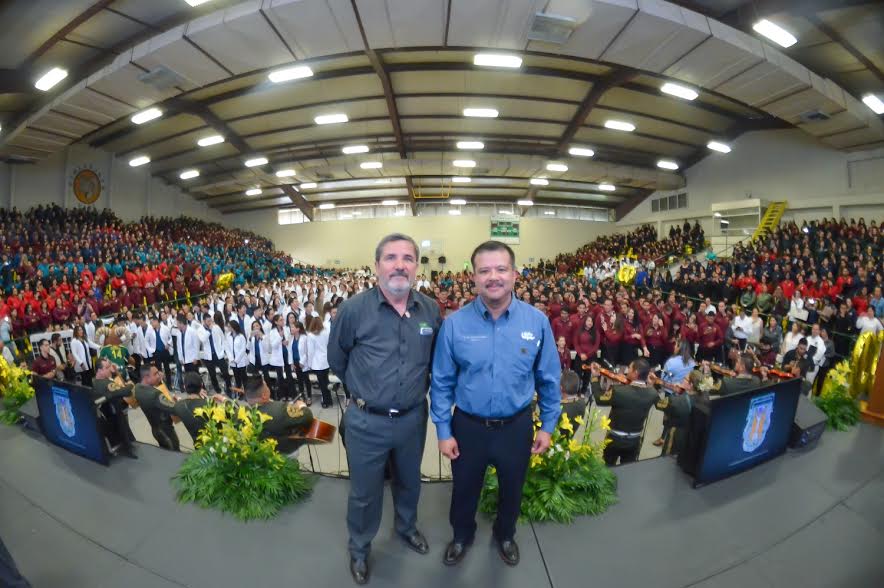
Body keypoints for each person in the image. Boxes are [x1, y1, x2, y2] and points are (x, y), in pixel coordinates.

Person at [431, 240, 560, 568]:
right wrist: (444, 431)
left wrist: (547, 425)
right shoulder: (455, 325)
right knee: (464, 490)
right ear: (473, 277)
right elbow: (442, 382)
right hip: (468, 427)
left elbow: (548, 379)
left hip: (516, 427)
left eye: (501, 269)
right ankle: (462, 535)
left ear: (515, 274)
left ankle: (505, 534)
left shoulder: (536, 322)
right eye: (484, 270)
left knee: (513, 487)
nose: (493, 277)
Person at [328, 233, 441, 586]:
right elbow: (338, 359)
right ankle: (360, 548)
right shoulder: (353, 310)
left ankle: (406, 528)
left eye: (408, 258)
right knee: (365, 492)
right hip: (366, 421)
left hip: (412, 418)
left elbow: (433, 360)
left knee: (410, 482)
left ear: (416, 267)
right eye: (391, 257)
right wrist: (366, 393)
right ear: (377, 265)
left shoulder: (430, 310)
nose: (399, 265)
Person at [588, 359, 658, 466]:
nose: (627, 370)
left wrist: (594, 377)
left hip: (614, 439)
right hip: (634, 440)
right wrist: (650, 385)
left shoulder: (618, 391)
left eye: (629, 368)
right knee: (628, 470)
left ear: (635, 373)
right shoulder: (652, 393)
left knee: (607, 467)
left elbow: (599, 399)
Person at [241, 377, 313, 455]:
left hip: (257, 456)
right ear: (264, 395)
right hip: (283, 455)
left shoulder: (242, 415)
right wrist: (302, 406)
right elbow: (307, 416)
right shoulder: (280, 409)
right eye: (267, 387)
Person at [133, 364, 180, 451]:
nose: (159, 376)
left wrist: (159, 380)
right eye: (155, 374)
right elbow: (173, 408)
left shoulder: (137, 388)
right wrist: (178, 402)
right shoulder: (155, 394)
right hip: (166, 431)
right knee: (175, 453)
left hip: (155, 429)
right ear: (146, 378)